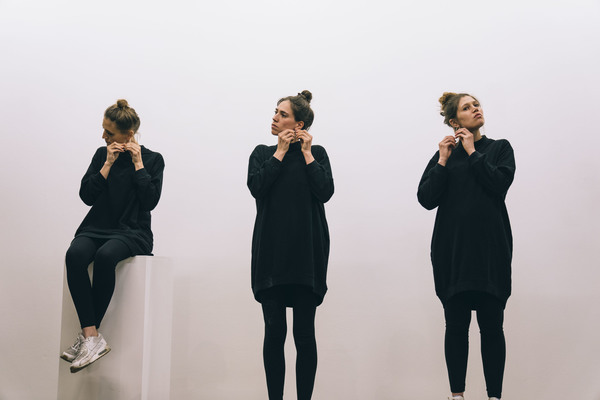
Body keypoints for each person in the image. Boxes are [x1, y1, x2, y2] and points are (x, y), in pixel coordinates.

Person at [417, 92, 515, 400]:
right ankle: (457, 395)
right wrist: (443, 160)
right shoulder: (445, 156)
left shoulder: (499, 148)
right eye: (466, 107)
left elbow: (499, 184)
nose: (476, 109)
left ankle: (494, 396)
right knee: (456, 326)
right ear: (453, 121)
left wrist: (472, 151)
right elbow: (426, 198)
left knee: (492, 327)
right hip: (452, 254)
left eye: (476, 105)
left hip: (490, 252)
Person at [60, 99, 165, 373]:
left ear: (128, 135)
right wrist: (107, 164)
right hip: (96, 227)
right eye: (104, 129)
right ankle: (91, 335)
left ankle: (88, 337)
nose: (103, 136)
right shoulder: (101, 155)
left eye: (109, 132)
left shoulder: (153, 160)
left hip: (133, 231)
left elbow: (150, 201)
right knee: (75, 254)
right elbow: (87, 196)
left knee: (106, 257)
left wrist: (139, 164)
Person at [247, 90, 334, 399]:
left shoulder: (318, 153)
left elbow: (325, 191)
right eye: (275, 112)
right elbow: (257, 187)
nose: (274, 117)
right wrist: (280, 152)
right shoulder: (262, 153)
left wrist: (307, 154)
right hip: (271, 254)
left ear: (299, 124)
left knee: (304, 334)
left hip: (307, 254)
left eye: (282, 114)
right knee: (274, 333)